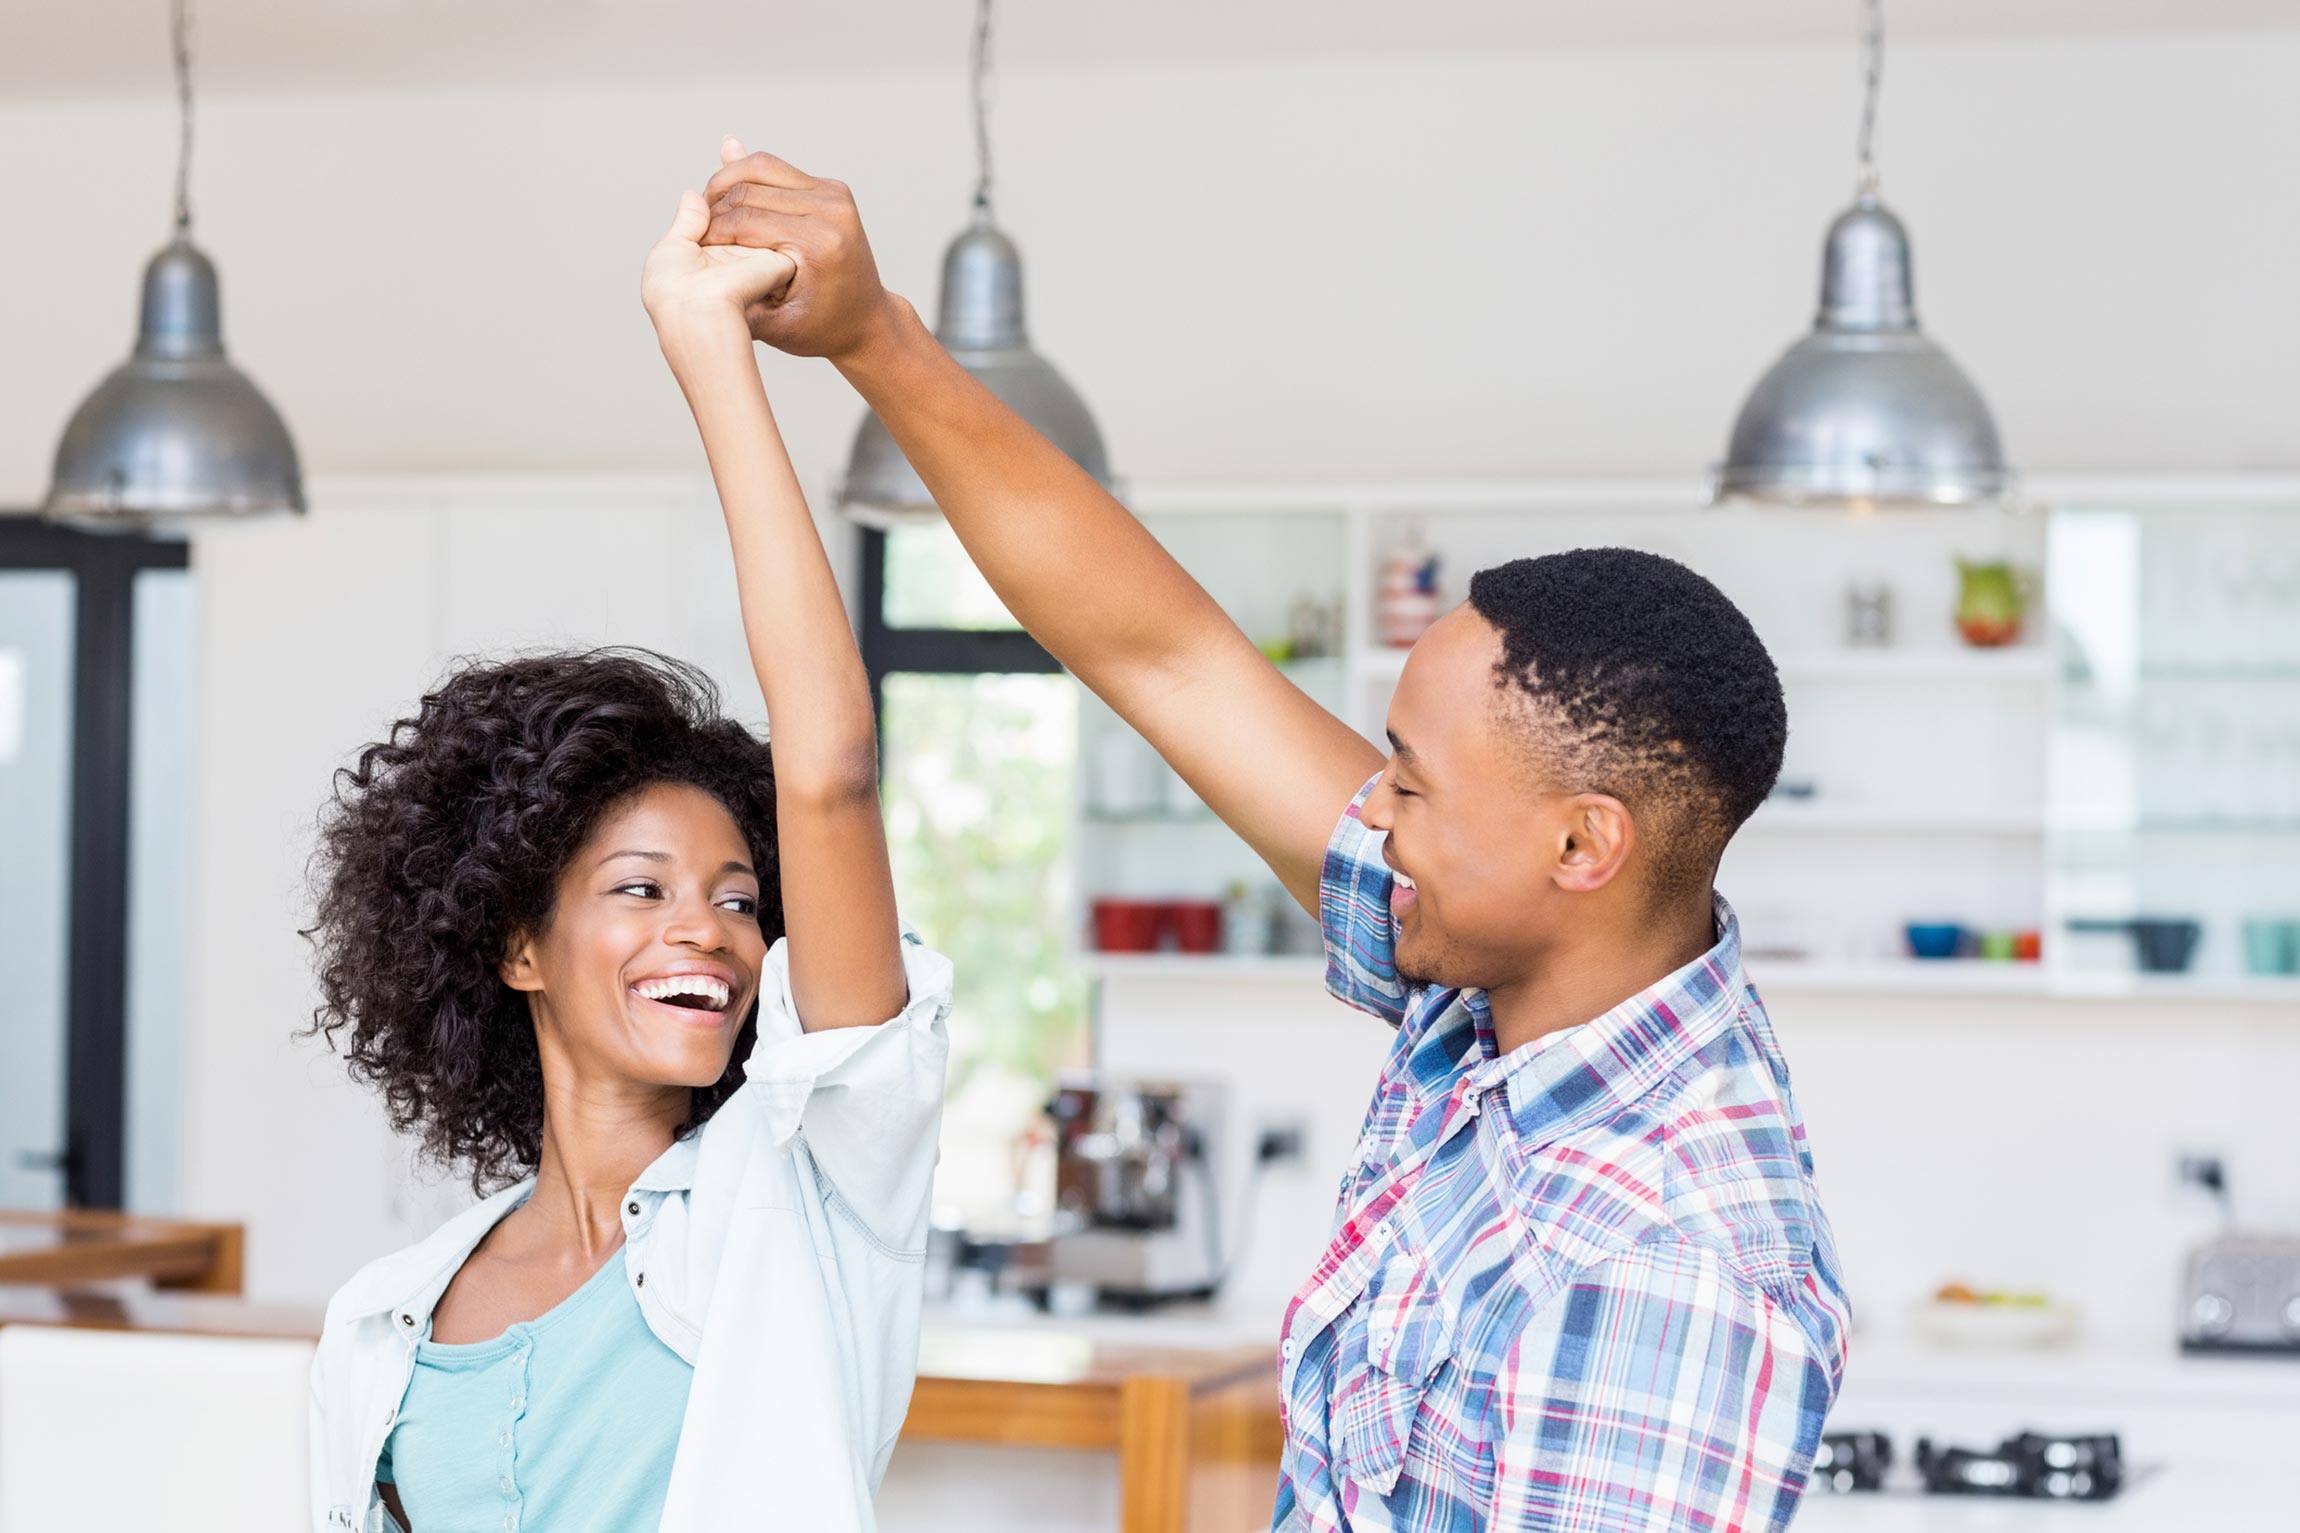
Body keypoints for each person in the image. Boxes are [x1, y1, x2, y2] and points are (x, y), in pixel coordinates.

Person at [698, 151, 1851, 1531]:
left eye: (1412, 784)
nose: (1367, 807)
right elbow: (1169, 657)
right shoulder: (1507, 994)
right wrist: (877, 336)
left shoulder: (1668, 1254)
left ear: (1581, 845)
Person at [304, 141, 950, 1533]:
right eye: (641, 887)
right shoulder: (385, 1324)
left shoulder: (813, 1196)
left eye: (735, 894)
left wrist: (710, 351)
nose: (708, 930)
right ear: (519, 944)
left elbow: (828, 764)